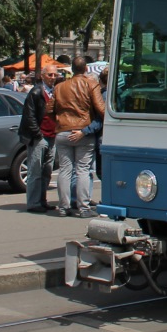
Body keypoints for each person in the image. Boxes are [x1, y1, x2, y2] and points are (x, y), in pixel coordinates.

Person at [53, 56, 106, 217]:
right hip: (83, 132)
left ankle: (63, 207)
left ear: (72, 69)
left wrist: (61, 120)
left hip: (63, 131)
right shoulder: (91, 84)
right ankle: (83, 207)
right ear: (86, 69)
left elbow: (49, 109)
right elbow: (102, 110)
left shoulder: (60, 87)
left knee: (65, 170)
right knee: (83, 170)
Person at [19, 67, 58, 213]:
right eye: (49, 74)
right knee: (35, 171)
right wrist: (38, 134)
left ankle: (42, 200)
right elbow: (29, 115)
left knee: (47, 171)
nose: (52, 77)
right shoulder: (36, 92)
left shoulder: (55, 92)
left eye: (55, 74)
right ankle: (33, 203)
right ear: (42, 76)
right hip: (39, 137)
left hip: (52, 136)